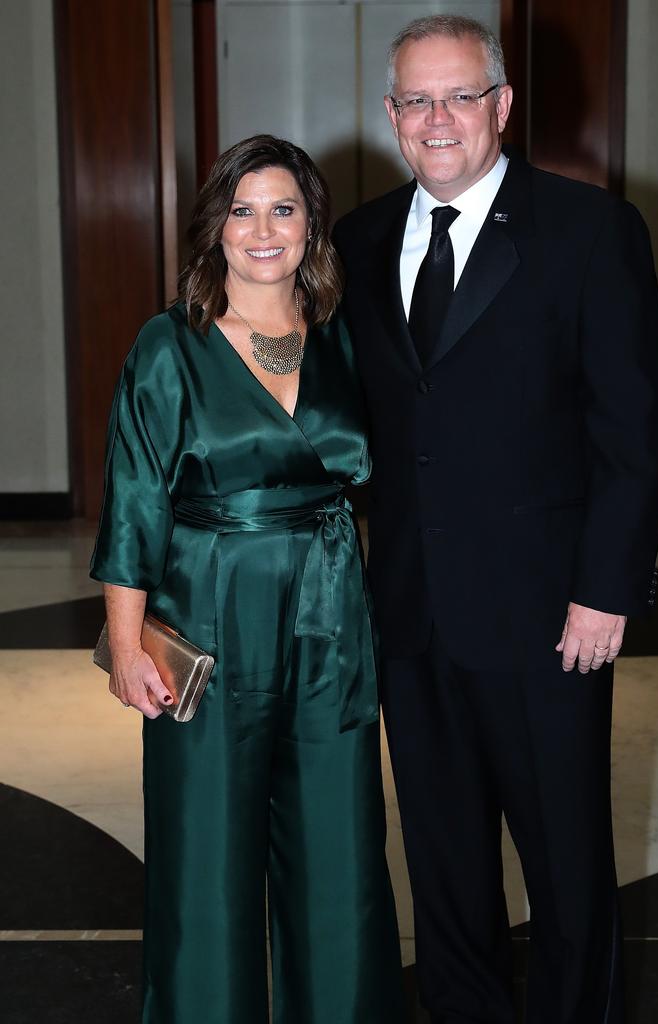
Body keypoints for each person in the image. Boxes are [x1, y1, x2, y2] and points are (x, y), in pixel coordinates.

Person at [333, 14, 658, 1024]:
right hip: (409, 615)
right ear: (392, 113)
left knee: (567, 871)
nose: (438, 120)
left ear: (502, 106)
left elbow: (634, 431)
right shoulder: (356, 240)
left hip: (546, 617)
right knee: (442, 872)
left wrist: (604, 590)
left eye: (459, 96)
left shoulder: (589, 231)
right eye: (415, 100)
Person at [90, 134, 404, 1024]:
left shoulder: (346, 338)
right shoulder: (170, 346)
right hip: (209, 609)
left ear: (313, 227)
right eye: (241, 209)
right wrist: (124, 642)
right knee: (206, 854)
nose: (262, 230)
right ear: (214, 228)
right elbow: (134, 502)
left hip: (330, 614)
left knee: (338, 848)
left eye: (284, 209)